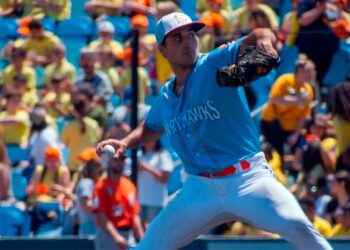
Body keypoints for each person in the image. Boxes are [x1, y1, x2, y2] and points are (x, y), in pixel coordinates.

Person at [97, 12, 333, 249]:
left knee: (298, 226)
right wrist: (125, 142)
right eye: (177, 38)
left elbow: (258, 35)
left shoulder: (212, 64)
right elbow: (151, 127)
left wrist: (264, 41)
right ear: (162, 50)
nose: (188, 42)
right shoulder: (166, 96)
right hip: (199, 189)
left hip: (247, 179)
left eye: (191, 35)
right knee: (148, 247)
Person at [94, 157, 144, 250]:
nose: (119, 163)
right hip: (108, 235)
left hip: (127, 234)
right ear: (109, 162)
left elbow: (135, 216)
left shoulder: (130, 186)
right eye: (116, 160)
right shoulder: (100, 187)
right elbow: (101, 217)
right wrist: (116, 237)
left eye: (121, 160)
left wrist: (143, 240)